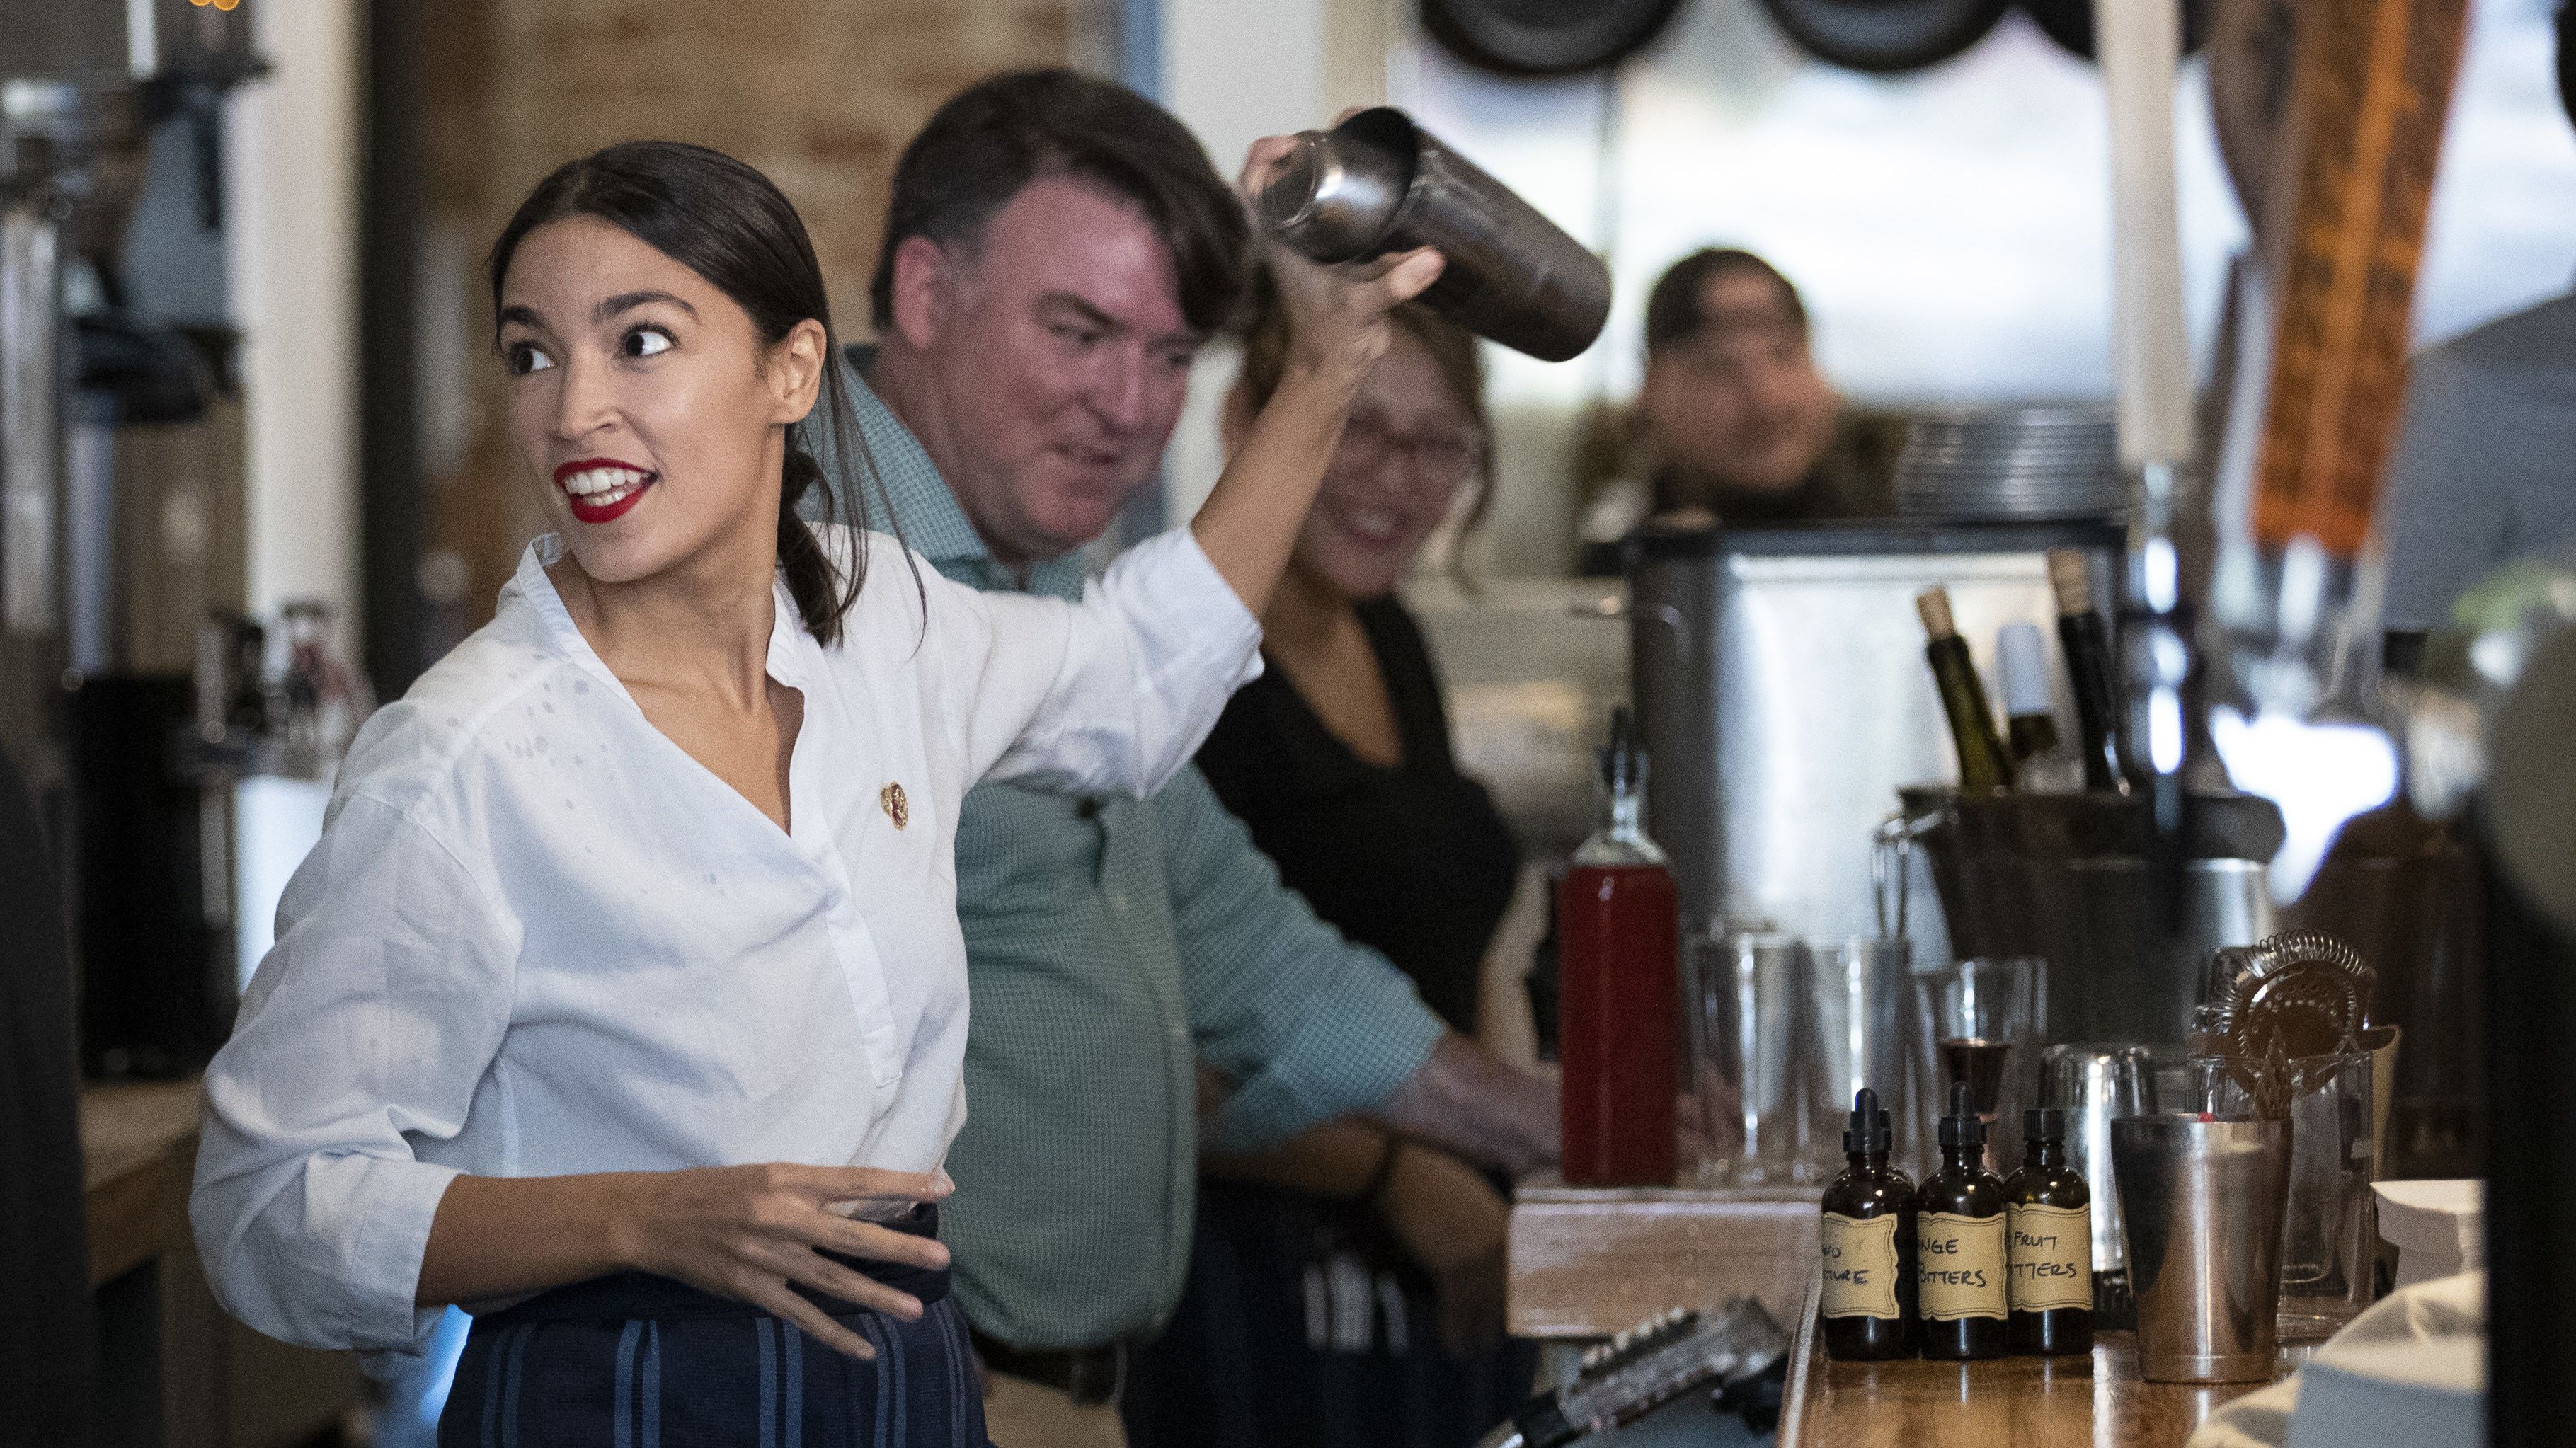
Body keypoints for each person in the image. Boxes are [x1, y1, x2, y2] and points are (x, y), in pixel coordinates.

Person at [188, 137, 1438, 1444]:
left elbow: (1134, 677)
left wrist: (1328, 362)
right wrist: (645, 1216)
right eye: (531, 352)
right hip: (621, 1394)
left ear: (790, 369)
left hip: (902, 1375)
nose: (573, 411)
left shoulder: (876, 618)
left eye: (642, 342)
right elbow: (268, 1202)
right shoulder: (459, 757)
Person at [840, 70, 1559, 1445]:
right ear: (925, 295)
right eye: (1079, 331)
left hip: (1074, 1397)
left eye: (1169, 357)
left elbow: (1243, 946)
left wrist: (1535, 1120)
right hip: (897, 1401)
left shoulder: (1044, 582)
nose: (1128, 405)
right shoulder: (810, 576)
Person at [1119, 280, 1534, 1447]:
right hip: (1253, 1271)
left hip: (1444, 1259)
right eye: (1358, 427)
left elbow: (1435, 941)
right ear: (1247, 420)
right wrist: (1393, 1174)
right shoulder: (1178, 672)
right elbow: (1148, 1042)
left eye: (1436, 445)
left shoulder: (1386, 632)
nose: (1395, 480)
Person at [1576, 248, 1888, 574]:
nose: (1767, 400)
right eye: (1718, 366)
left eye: (1783, 354)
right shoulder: (1625, 550)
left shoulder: (1891, 544)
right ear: (1652, 390)